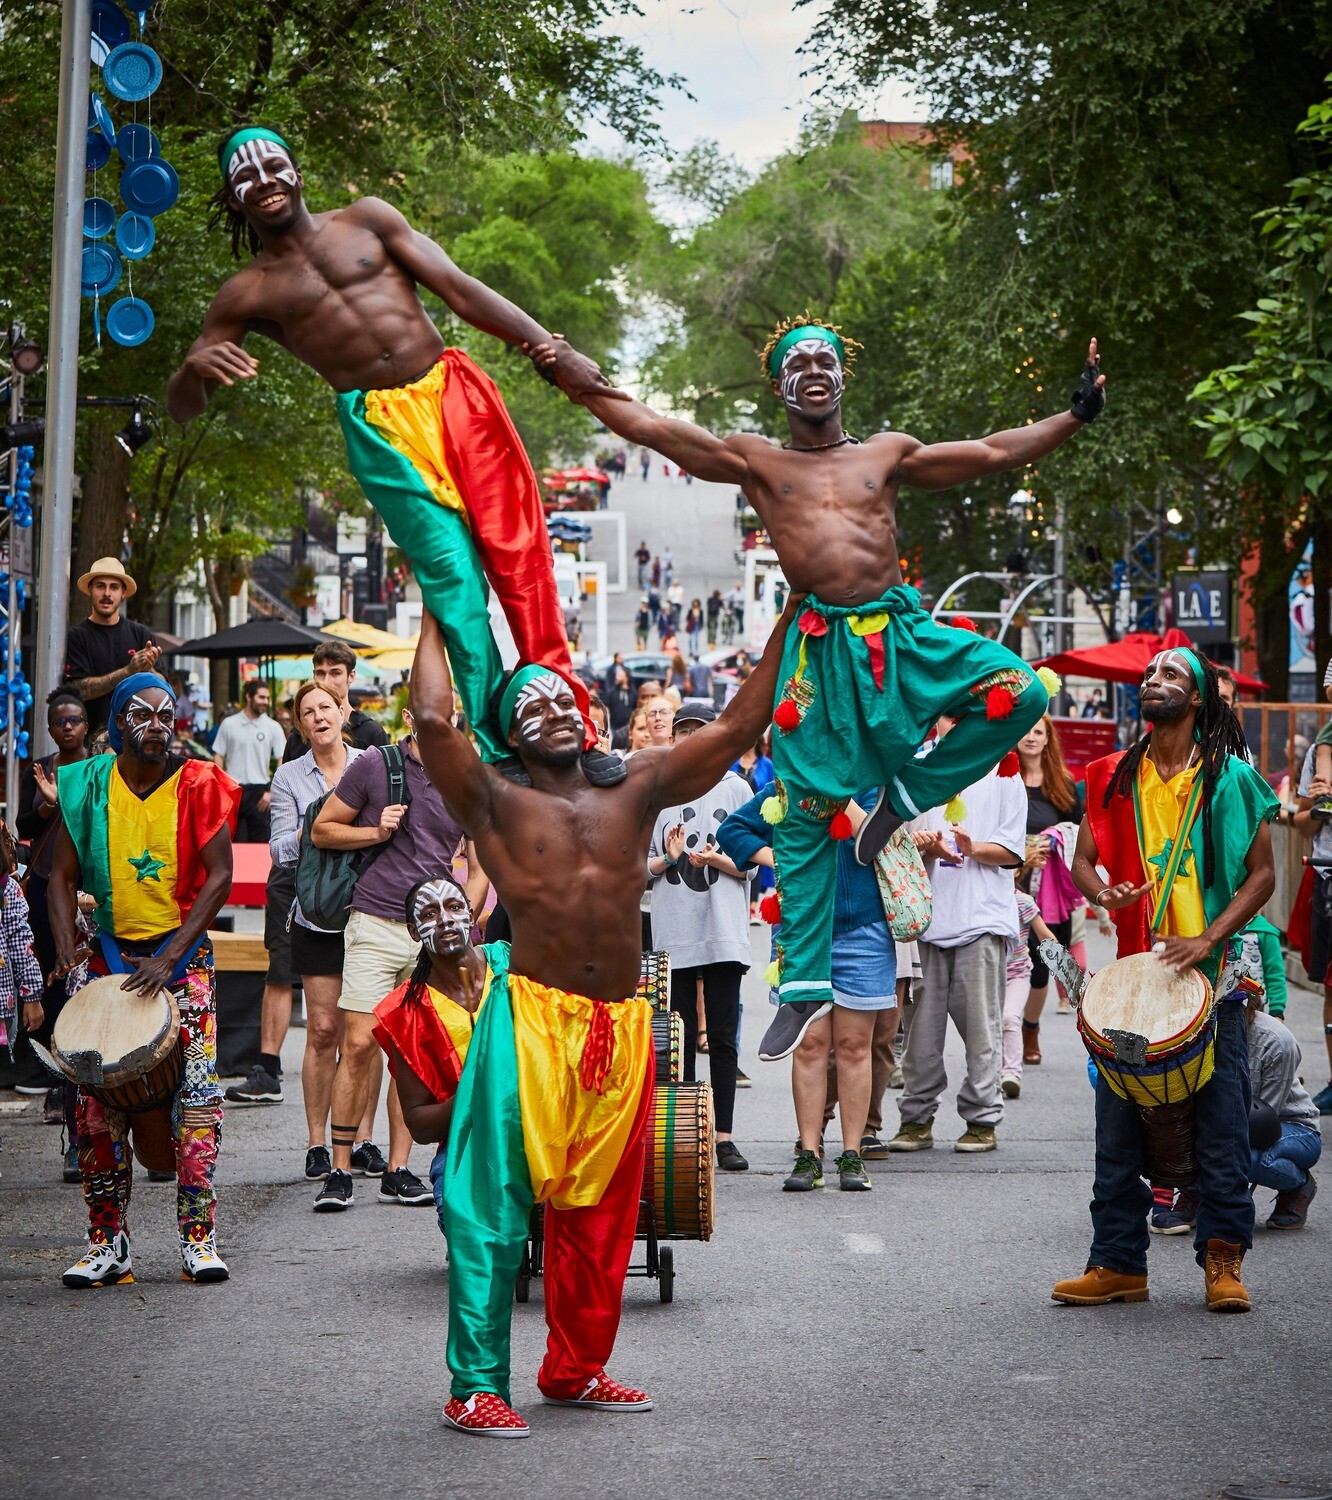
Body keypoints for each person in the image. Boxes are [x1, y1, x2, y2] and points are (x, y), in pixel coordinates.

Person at [537, 320, 1107, 1044]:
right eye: (797, 361)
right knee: (804, 811)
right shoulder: (756, 461)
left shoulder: (887, 453)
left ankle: (903, 799)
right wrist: (569, 369)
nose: (813, 368)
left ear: (842, 377)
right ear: (779, 384)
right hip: (821, 650)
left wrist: (1075, 415)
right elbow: (650, 425)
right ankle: (802, 984)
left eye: (825, 359)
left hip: (900, 635)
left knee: (1022, 689)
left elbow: (993, 452)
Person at [404, 589, 799, 1433]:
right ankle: (474, 1386)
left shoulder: (640, 784)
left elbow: (734, 728)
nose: (551, 707)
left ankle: (575, 1370)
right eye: (529, 702)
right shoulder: (494, 801)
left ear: (587, 712)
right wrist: (439, 606)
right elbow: (436, 722)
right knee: (490, 1210)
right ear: (509, 733)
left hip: (620, 1029)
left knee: (602, 1215)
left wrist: (792, 610)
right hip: (530, 1027)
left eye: (562, 695)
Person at [166, 126, 617, 769]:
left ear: (296, 171)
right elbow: (183, 409)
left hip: (454, 395)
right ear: (232, 198)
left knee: (521, 562)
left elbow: (460, 288)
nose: (263, 179)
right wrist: (191, 372)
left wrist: (551, 351)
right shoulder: (245, 293)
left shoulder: (368, 220)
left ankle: (574, 725)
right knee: (455, 584)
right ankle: (497, 743)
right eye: (246, 174)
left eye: (274, 165)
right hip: (379, 431)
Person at [1052, 646, 1277, 1313]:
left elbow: (1263, 874)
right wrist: (1106, 893)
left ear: (1199, 698)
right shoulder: (1113, 775)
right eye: (1150, 675)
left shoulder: (1230, 779)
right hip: (1135, 986)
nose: (1154, 682)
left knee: (1223, 1127)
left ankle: (1223, 1262)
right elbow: (1083, 860)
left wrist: (1208, 937)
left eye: (1170, 675)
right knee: (1116, 1128)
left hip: (1218, 979)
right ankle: (1117, 1262)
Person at [49, 673, 240, 1286]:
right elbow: (58, 878)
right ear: (117, 726)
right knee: (95, 1108)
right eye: (143, 714)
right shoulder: (88, 784)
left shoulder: (199, 783)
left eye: (167, 714)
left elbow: (219, 877)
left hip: (184, 964)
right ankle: (108, 1242)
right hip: (106, 962)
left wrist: (169, 958)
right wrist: (70, 960)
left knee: (200, 1099)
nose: (158, 725)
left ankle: (197, 1239)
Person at [309, 710, 485, 1209]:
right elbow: (324, 830)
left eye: (451, 714)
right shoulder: (375, 764)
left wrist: (456, 924)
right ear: (410, 716)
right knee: (359, 1043)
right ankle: (339, 1171)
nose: (442, 721)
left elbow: (479, 867)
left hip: (432, 938)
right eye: (431, 712)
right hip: (376, 921)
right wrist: (374, 833)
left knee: (413, 1055)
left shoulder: (464, 775)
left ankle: (398, 1168)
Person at [718, 789, 897, 1191]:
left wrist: (840, 798)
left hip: (864, 931)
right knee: (810, 1044)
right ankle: (809, 1155)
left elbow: (875, 837)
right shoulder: (789, 787)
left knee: (854, 1045)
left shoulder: (873, 782)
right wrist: (781, 860)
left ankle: (852, 1154)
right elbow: (733, 829)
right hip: (802, 930)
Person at [266, 681, 383, 1182]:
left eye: (326, 708)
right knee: (322, 1031)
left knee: (367, 1035)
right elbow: (277, 851)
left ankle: (363, 1139)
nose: (318, 717)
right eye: (308, 711)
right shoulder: (290, 776)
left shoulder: (372, 764)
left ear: (343, 712)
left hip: (369, 912)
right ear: (300, 725)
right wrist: (320, 822)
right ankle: (317, 1143)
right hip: (315, 914)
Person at [887, 752, 1026, 1155]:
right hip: (924, 921)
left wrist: (973, 847)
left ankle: (982, 1120)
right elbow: (899, 843)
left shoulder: (1003, 767)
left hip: (980, 921)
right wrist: (926, 848)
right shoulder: (918, 763)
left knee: (982, 1031)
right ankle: (916, 1119)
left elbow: (1013, 851)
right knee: (919, 1036)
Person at [646, 704, 754, 1171]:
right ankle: (685, 1135)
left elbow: (752, 863)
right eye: (683, 732)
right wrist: (671, 858)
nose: (692, 739)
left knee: (725, 1038)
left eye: (700, 731)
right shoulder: (656, 793)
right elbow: (640, 868)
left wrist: (716, 861)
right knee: (679, 1036)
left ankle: (724, 1136)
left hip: (724, 928)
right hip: (674, 928)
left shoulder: (737, 789)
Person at [14, 691, 91, 1115]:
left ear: (86, 725)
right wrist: (46, 805)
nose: (66, 726)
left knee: (84, 977)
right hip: (46, 883)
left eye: (74, 719)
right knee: (52, 978)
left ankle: (81, 1078)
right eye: (59, 720)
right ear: (49, 727)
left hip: (89, 886)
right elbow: (25, 826)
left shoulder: (102, 767)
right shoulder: (40, 768)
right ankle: (58, 1079)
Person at [1015, 714, 1086, 1058]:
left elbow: (1079, 837)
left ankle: (1030, 1027)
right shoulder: (1003, 778)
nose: (1030, 736)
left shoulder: (1064, 785)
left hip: (1051, 891)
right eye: (1026, 730)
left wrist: (1055, 840)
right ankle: (1011, 1031)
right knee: (1008, 962)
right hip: (1009, 883)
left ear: (1047, 739)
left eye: (1038, 731)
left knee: (1043, 964)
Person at [62, 558, 159, 733]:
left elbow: (163, 687)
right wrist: (128, 671)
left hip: (136, 740)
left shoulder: (141, 634)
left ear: (123, 593)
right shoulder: (76, 636)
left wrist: (148, 669)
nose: (107, 593)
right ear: (90, 590)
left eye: (114, 587)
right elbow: (79, 690)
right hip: (91, 743)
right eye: (100, 586)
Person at [1247, 1004, 1321, 1229]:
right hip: (1242, 1121)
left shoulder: (1275, 1039)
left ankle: (1299, 1186)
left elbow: (1263, 1120)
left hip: (1291, 1125)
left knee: (1243, 1158)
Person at [280, 640, 390, 763]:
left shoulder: (371, 734)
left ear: (351, 676)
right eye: (320, 673)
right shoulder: (298, 737)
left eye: (335, 673)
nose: (326, 681)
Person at [211, 678, 281, 842]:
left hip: (261, 793)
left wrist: (272, 791)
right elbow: (218, 755)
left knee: (261, 847)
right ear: (249, 697)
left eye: (267, 698)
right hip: (233, 790)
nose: (266, 702)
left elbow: (282, 759)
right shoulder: (229, 724)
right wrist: (220, 787)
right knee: (232, 845)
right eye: (261, 697)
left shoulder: (273, 727)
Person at [1001, 887, 1055, 1099]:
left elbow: (1044, 935)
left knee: (1009, 1017)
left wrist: (1065, 965)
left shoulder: (1022, 901)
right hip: (986, 973)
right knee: (988, 1025)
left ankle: (1012, 1074)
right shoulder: (978, 896)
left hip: (1018, 975)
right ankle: (989, 1074)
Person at [603, 666, 634, 736]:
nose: (617, 677)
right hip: (615, 726)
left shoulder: (633, 692)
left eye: (620, 675)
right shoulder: (612, 692)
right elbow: (607, 705)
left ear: (626, 677)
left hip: (628, 725)